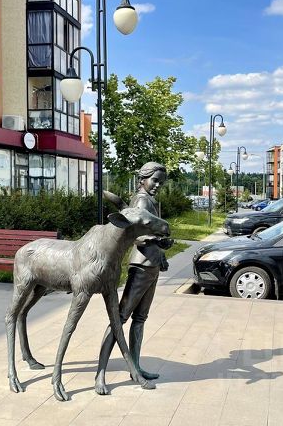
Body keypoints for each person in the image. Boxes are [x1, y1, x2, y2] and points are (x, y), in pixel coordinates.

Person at [95, 162, 173, 395]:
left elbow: (152, 232)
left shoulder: (149, 200)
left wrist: (161, 251)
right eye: (154, 180)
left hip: (152, 264)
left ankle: (136, 367)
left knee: (140, 318)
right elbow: (132, 235)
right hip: (141, 266)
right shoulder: (141, 201)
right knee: (120, 318)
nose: (157, 185)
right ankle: (100, 373)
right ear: (142, 179)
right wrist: (157, 241)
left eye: (161, 182)